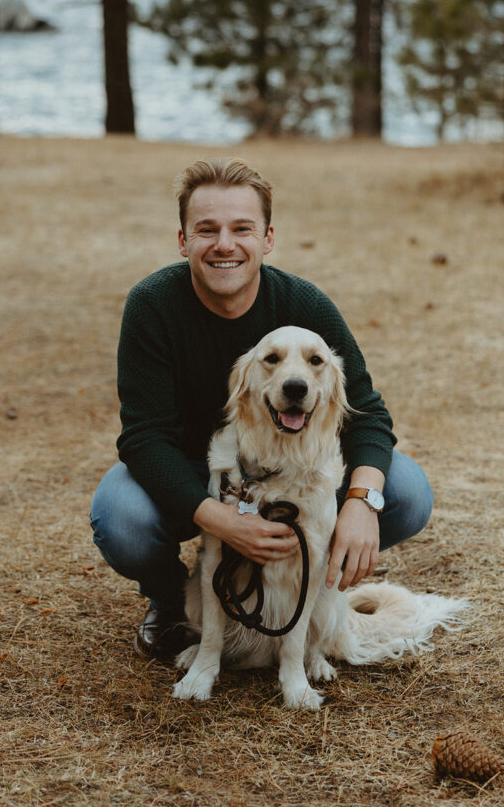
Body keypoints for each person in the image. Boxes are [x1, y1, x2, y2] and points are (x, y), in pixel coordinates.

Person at [90, 158, 433, 659]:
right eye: (206, 229)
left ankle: (308, 594)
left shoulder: (305, 305)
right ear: (183, 240)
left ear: (267, 238)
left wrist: (361, 501)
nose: (224, 244)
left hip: (294, 467)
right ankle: (169, 601)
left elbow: (368, 415)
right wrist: (221, 520)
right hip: (194, 466)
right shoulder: (153, 305)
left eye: (241, 229)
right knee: (121, 516)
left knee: (405, 491)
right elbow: (143, 438)